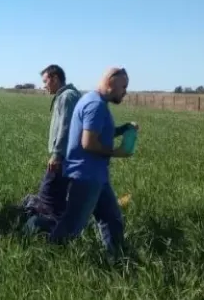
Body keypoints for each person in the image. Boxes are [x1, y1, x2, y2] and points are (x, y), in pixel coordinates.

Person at [45, 67, 138, 253]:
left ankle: (118, 260)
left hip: (97, 176)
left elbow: (100, 131)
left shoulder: (93, 100)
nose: (125, 92)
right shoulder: (95, 106)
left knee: (112, 219)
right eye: (123, 87)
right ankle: (49, 254)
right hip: (86, 177)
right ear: (111, 83)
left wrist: (123, 129)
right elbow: (88, 143)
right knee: (72, 225)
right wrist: (117, 152)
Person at [22, 64, 81, 220]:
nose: (44, 86)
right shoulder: (68, 95)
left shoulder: (67, 96)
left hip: (64, 156)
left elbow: (66, 127)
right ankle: (62, 224)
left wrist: (57, 154)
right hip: (68, 156)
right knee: (57, 194)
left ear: (55, 78)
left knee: (48, 195)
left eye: (45, 81)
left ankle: (52, 229)